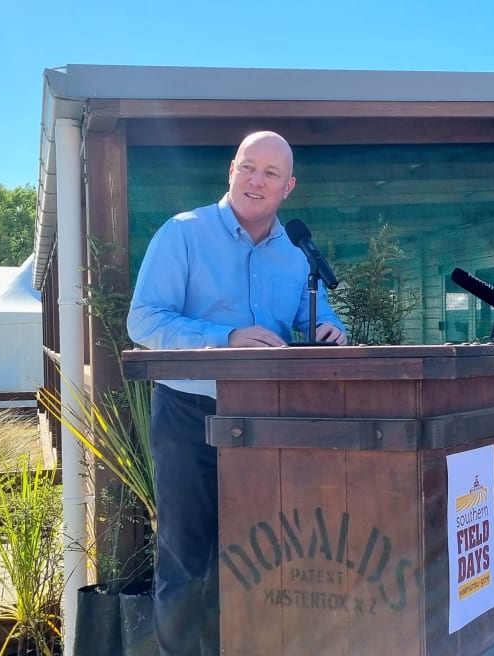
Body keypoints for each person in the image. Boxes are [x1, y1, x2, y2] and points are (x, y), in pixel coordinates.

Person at [127, 130, 347, 656]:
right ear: (232, 170)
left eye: (271, 174)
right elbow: (144, 320)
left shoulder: (296, 255)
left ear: (287, 186)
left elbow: (304, 316)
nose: (257, 180)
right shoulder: (183, 233)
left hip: (268, 420)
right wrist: (222, 339)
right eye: (250, 167)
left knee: (257, 558)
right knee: (186, 561)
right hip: (190, 413)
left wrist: (330, 328)